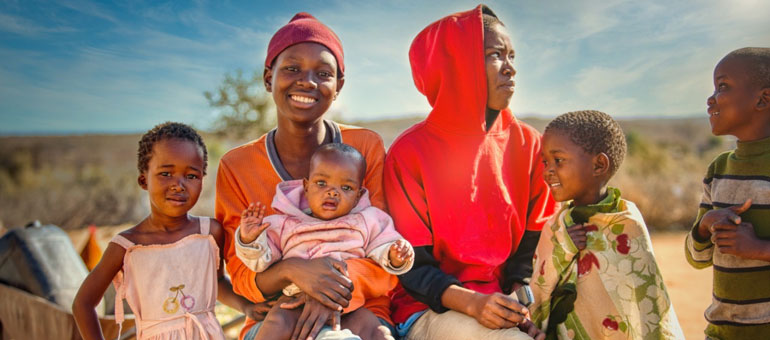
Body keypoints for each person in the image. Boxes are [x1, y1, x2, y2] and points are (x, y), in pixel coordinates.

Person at [215, 12, 395, 340]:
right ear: (268, 78)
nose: (307, 81)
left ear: (338, 85)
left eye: (323, 73)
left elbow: (384, 250)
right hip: (277, 317)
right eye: (292, 68)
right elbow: (242, 275)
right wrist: (293, 270)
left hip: (361, 310)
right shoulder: (237, 166)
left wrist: (329, 289)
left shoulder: (365, 147)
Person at [384, 5, 556, 340]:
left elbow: (527, 252)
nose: (511, 69)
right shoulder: (410, 152)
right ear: (455, 64)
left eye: (512, 56)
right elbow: (413, 267)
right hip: (430, 306)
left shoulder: (530, 144)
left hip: (503, 299)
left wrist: (518, 304)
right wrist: (476, 304)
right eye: (496, 55)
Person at [72, 122, 256, 340]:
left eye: (191, 176)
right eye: (166, 173)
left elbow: (217, 283)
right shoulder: (128, 246)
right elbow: (83, 304)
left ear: (202, 181)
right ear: (143, 180)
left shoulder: (210, 232)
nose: (178, 184)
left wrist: (247, 307)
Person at [529, 110, 683, 339]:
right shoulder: (556, 226)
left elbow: (647, 301)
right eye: (545, 162)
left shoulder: (627, 223)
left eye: (558, 160)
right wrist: (563, 248)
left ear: (599, 164)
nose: (548, 171)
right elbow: (538, 289)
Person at [235, 143, 414, 340]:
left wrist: (396, 255)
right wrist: (250, 240)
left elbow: (384, 245)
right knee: (278, 320)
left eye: (346, 187)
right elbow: (261, 261)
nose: (332, 192)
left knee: (376, 330)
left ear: (358, 197)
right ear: (306, 187)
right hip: (297, 301)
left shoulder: (366, 219)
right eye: (321, 183)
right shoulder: (285, 223)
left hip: (350, 303)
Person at [685, 47, 770, 339]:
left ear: (763, 98)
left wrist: (758, 248)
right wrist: (706, 225)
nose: (710, 100)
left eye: (722, 87)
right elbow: (696, 258)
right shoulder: (718, 168)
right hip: (721, 331)